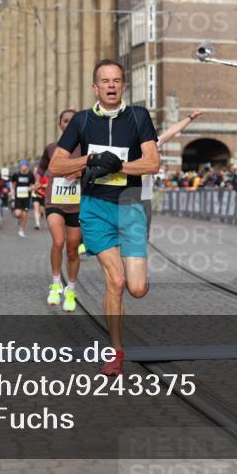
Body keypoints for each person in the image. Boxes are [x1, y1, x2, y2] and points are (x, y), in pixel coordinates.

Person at [49, 59, 159, 376]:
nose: (111, 85)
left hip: (131, 206)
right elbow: (56, 166)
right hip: (96, 207)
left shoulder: (138, 116)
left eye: (117, 80)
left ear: (123, 86)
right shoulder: (82, 121)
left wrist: (117, 166)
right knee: (116, 281)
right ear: (95, 88)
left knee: (136, 288)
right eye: (105, 81)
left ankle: (140, 277)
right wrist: (91, 159)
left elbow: (152, 163)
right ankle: (116, 352)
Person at [37, 108, 83, 312]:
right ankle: (56, 284)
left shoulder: (85, 148)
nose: (68, 123)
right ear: (60, 124)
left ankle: (70, 290)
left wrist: (81, 173)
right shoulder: (51, 148)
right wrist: (39, 182)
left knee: (73, 250)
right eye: (65, 121)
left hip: (77, 203)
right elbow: (41, 169)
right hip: (54, 200)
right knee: (58, 241)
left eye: (72, 121)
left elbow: (95, 169)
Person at [11, 160, 36, 238]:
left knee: (25, 215)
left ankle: (21, 230)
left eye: (25, 166)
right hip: (18, 197)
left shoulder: (30, 175)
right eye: (22, 166)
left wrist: (30, 188)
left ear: (27, 166)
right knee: (18, 214)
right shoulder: (16, 175)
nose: (23, 167)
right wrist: (12, 192)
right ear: (20, 166)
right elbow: (12, 183)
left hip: (26, 198)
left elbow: (34, 185)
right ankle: (18, 218)